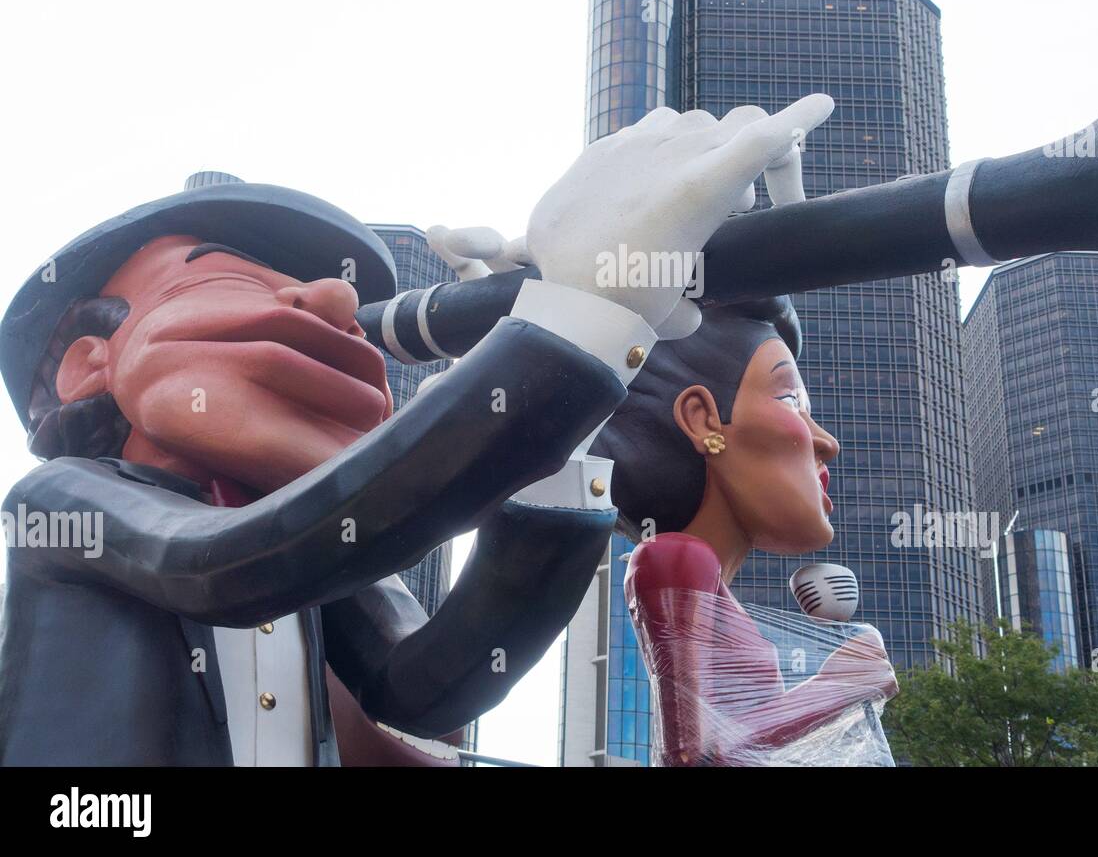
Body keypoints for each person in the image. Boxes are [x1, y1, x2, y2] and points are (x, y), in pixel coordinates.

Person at [0, 95, 834, 765]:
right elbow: (232, 563)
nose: (331, 304)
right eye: (230, 276)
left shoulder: (325, 553)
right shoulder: (66, 504)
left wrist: (559, 429)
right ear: (87, 362)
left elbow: (429, 685)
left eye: (337, 297)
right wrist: (570, 325)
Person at [590, 298, 899, 766]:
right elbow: (694, 753)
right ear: (702, 419)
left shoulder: (704, 580)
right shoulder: (673, 558)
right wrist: (840, 681)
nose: (826, 442)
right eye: (790, 400)